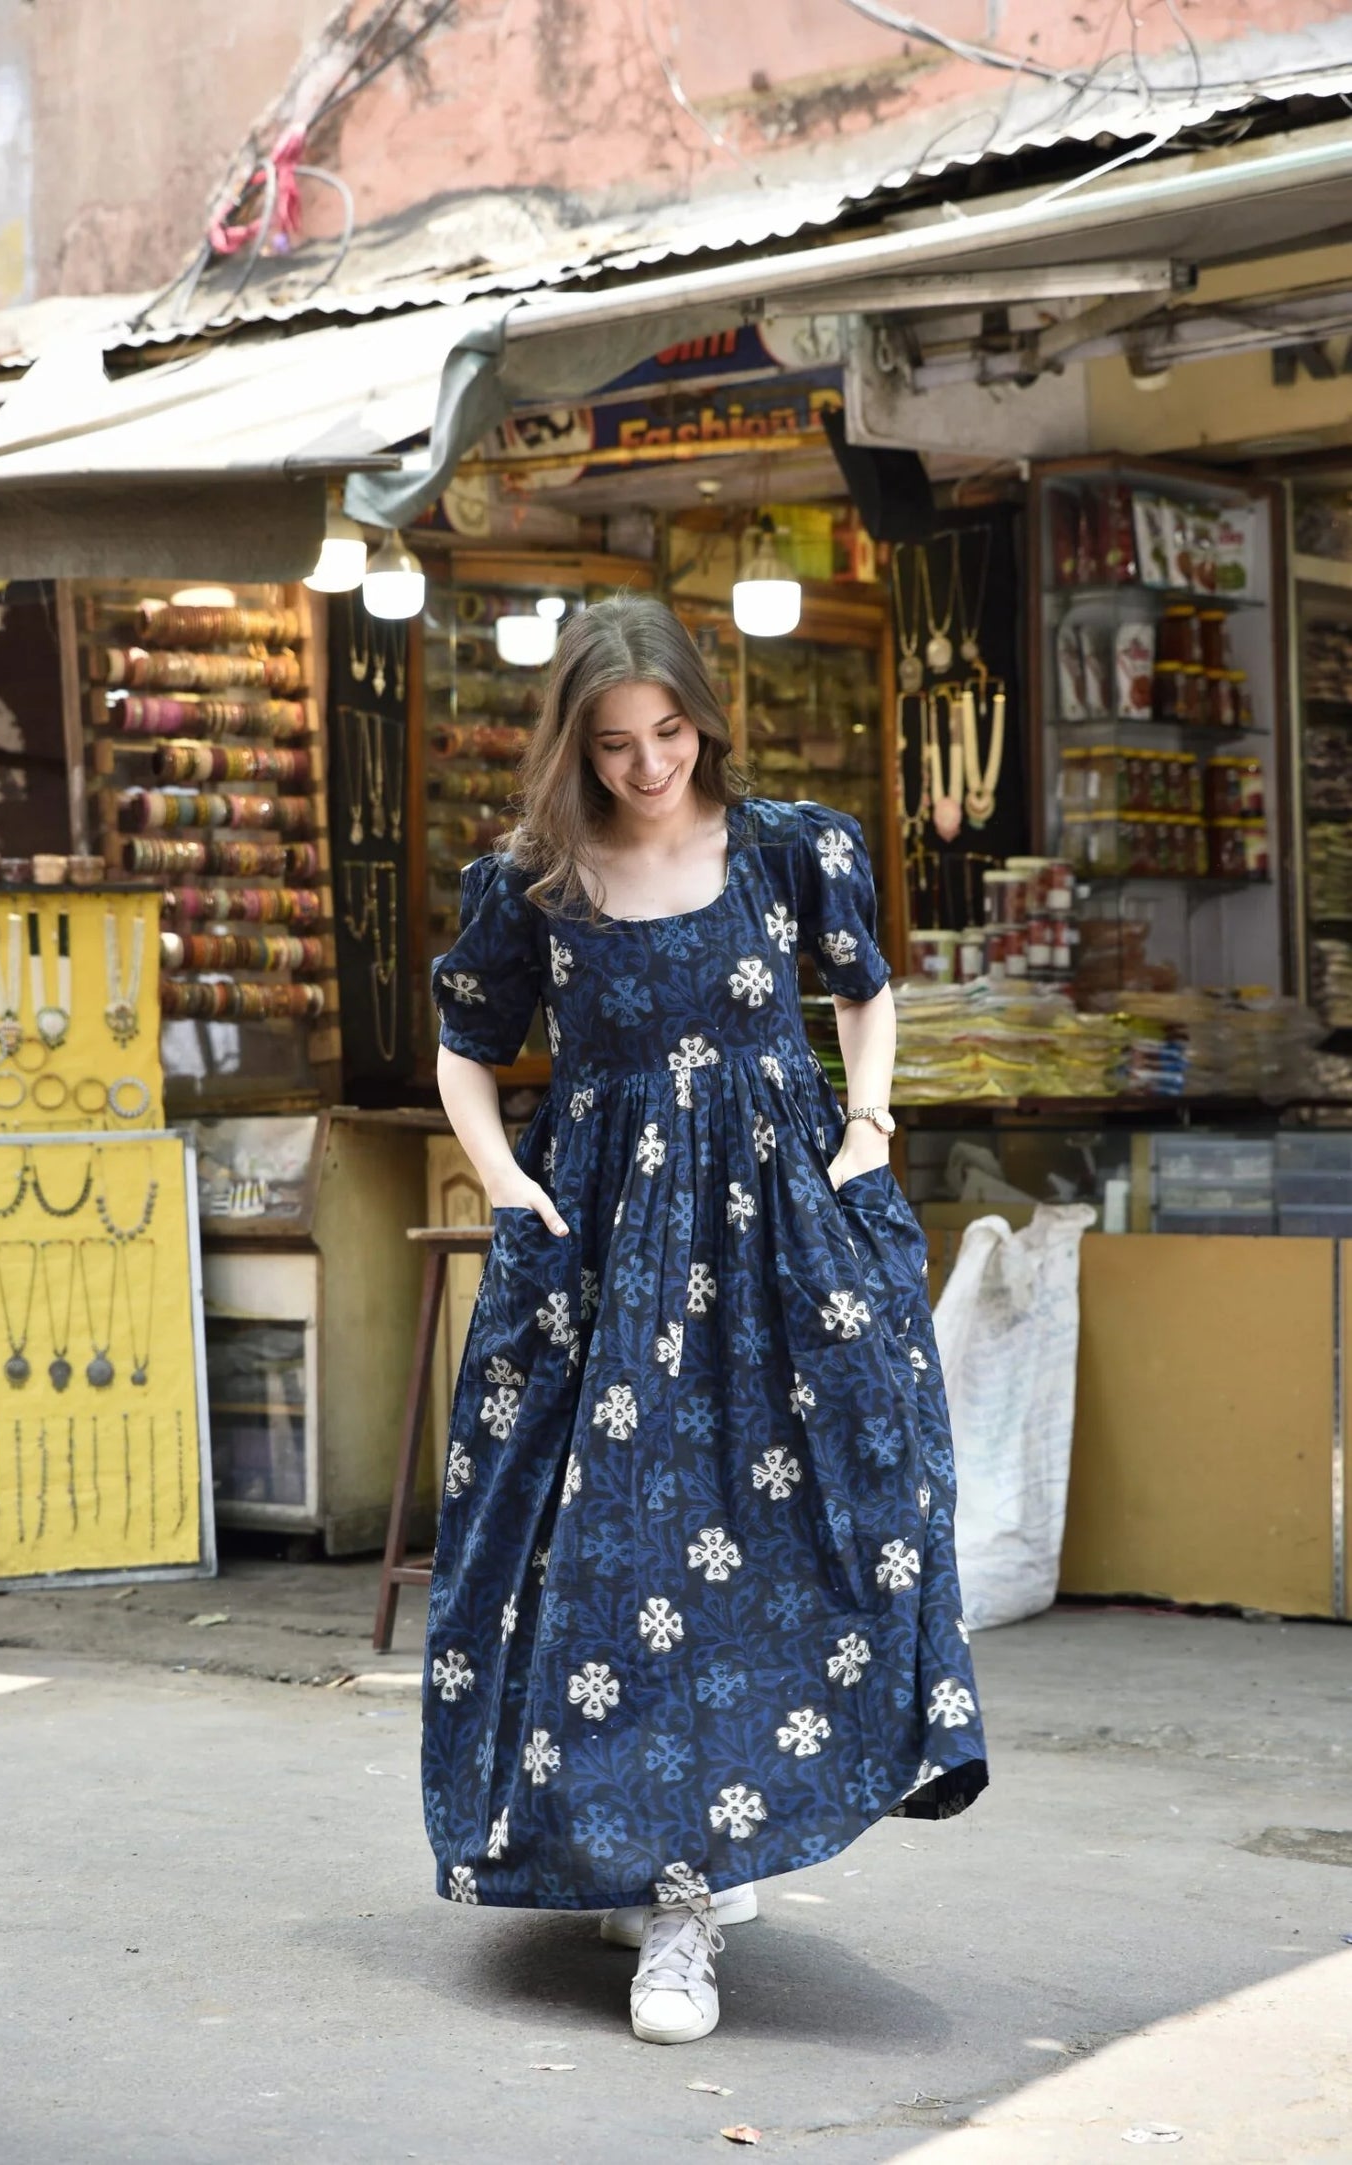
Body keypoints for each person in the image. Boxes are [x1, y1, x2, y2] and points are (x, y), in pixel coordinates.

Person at [425, 593, 987, 2046]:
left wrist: (866, 1122)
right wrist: (506, 1187)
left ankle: (699, 1839)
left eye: (667, 733)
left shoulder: (794, 847)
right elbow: (466, 1047)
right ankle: (667, 1880)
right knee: (614, 1544)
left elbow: (865, 993)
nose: (646, 766)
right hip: (606, 1252)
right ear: (575, 743)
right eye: (613, 744)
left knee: (844, 1500)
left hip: (780, 1237)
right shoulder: (531, 882)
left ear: (701, 720)